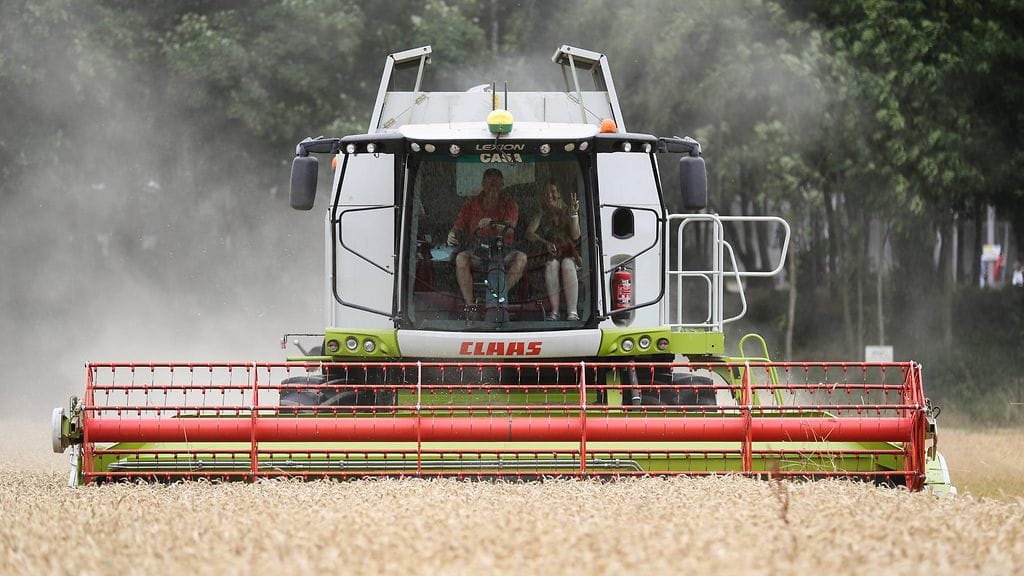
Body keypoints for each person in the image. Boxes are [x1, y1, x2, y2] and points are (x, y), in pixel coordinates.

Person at [446, 168, 527, 314]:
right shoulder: (471, 204)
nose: (493, 188)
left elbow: (510, 228)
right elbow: (457, 226)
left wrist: (493, 223)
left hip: (504, 250)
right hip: (478, 250)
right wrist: (452, 234)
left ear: (502, 185)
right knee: (460, 258)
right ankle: (471, 307)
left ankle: (497, 296)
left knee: (522, 258)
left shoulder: (510, 204)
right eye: (490, 184)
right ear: (483, 184)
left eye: (496, 184)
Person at [525, 179, 581, 320]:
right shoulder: (541, 213)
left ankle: (572, 313)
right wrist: (545, 243)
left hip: (568, 253)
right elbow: (529, 233)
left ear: (559, 194)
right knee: (551, 265)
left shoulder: (569, 210)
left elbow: (575, 235)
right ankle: (554, 312)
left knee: (567, 265)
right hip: (550, 255)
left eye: (553, 192)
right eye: (546, 193)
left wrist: (574, 215)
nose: (550, 195)